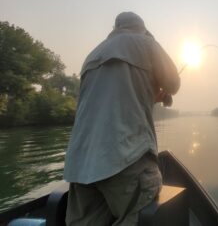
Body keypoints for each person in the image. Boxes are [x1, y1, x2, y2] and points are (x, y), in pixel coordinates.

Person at [63, 12, 180, 225]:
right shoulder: (146, 43)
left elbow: (109, 100)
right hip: (126, 158)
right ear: (142, 29)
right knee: (143, 213)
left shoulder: (91, 55)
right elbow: (174, 84)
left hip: (81, 165)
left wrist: (149, 95)